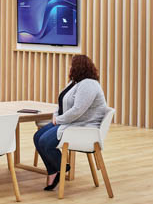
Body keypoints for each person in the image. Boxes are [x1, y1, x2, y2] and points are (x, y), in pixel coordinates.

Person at [34, 54, 110, 191]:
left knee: (45, 141)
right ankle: (55, 170)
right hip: (70, 122)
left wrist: (59, 119)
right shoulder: (75, 83)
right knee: (37, 137)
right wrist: (56, 115)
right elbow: (62, 102)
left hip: (82, 127)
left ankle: (61, 167)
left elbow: (77, 110)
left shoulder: (89, 84)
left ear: (79, 67)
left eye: (72, 65)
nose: (70, 68)